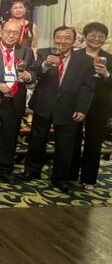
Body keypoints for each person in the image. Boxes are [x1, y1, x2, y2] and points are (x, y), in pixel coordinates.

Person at [18, 26, 96, 194]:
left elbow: (88, 87)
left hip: (69, 107)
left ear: (74, 41)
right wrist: (46, 64)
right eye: (59, 37)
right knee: (37, 140)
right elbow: (34, 71)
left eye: (67, 38)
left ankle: (60, 178)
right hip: (43, 103)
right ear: (54, 38)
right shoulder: (44, 53)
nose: (62, 41)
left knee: (65, 145)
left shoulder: (85, 60)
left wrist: (82, 108)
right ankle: (32, 171)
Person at [0, 21, 35, 182]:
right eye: (8, 31)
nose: (11, 35)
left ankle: (5, 169)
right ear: (0, 32)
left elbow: (33, 71)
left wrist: (29, 76)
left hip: (15, 100)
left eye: (15, 32)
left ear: (20, 34)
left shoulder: (26, 51)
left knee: (10, 137)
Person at [71, 22, 112, 190]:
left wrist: (106, 74)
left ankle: (89, 178)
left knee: (94, 140)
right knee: (73, 138)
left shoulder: (109, 58)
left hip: (99, 104)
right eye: (92, 35)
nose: (96, 39)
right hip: (76, 102)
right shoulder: (75, 55)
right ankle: (70, 173)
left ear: (105, 39)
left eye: (101, 36)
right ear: (85, 36)